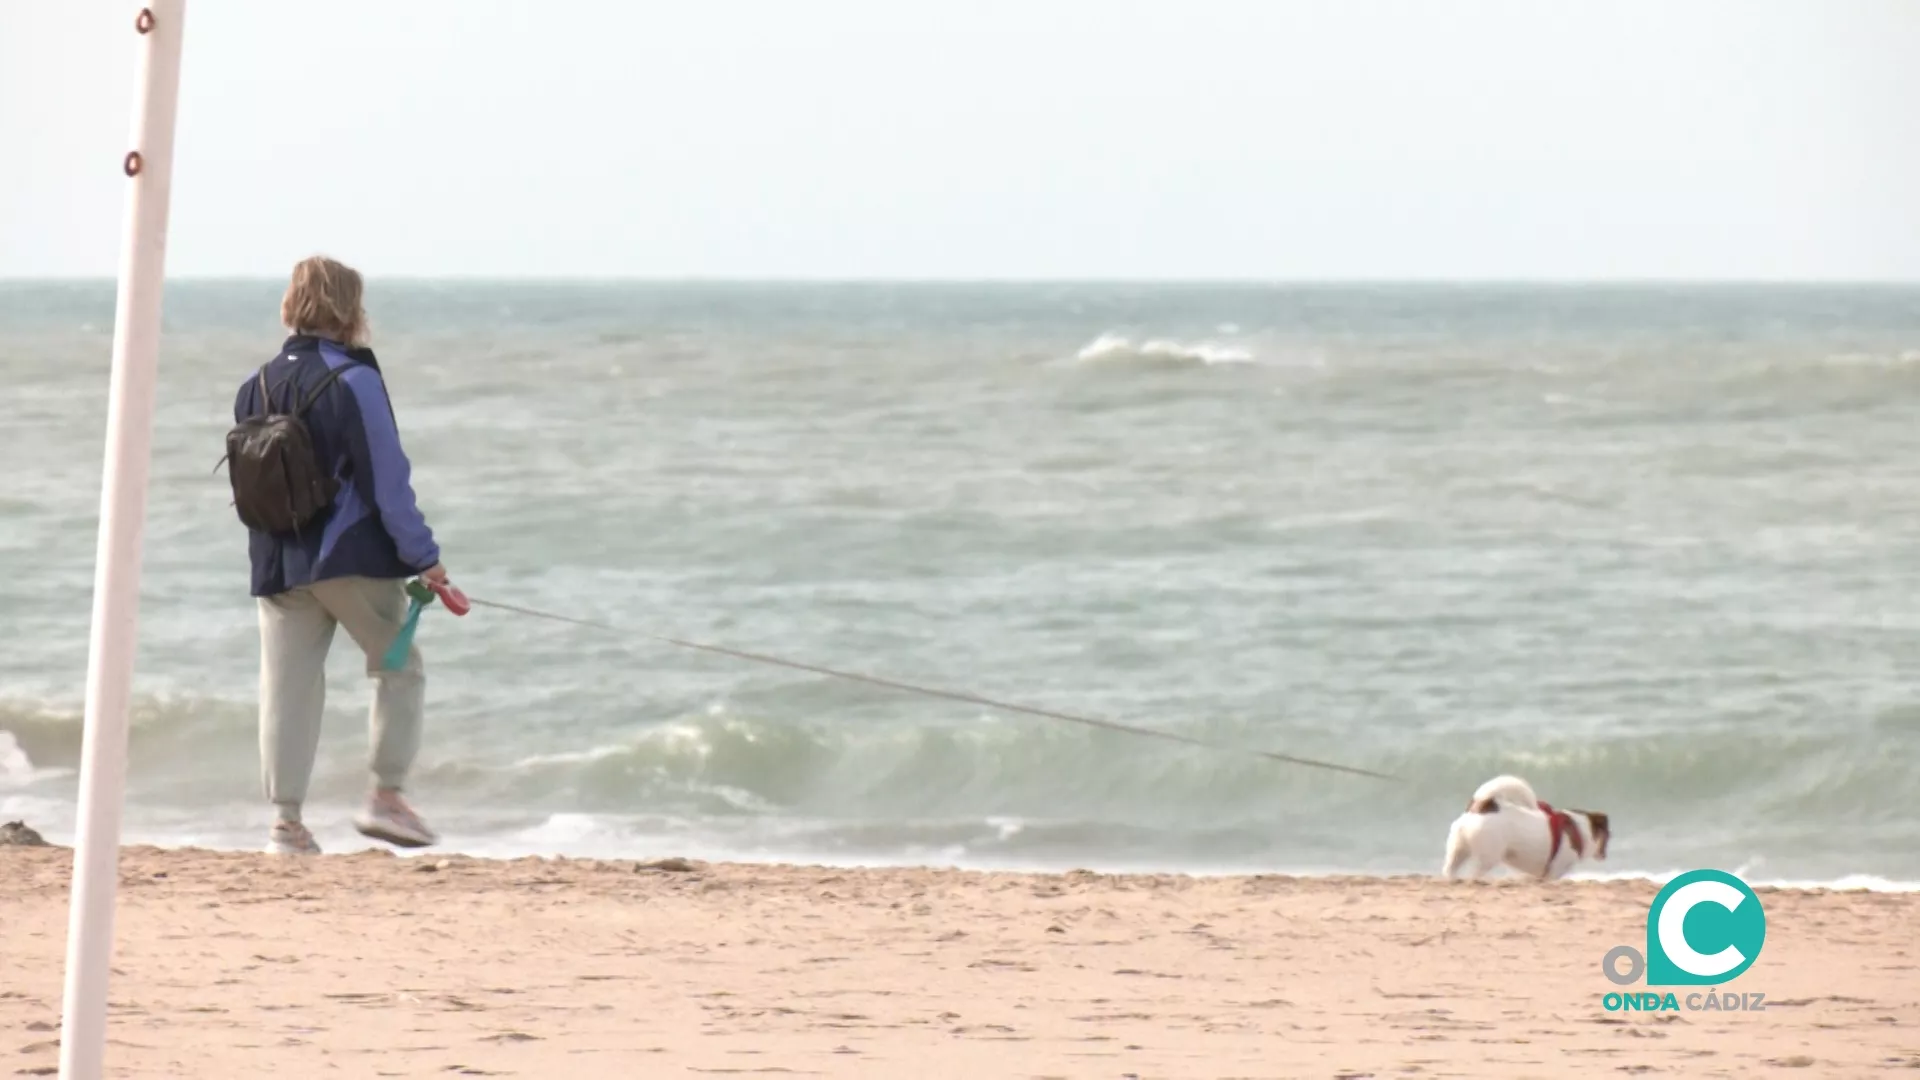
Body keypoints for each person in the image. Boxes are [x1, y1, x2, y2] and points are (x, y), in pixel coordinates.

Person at [231, 254, 447, 856]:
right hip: (350, 559)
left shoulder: (255, 385)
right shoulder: (355, 380)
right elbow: (388, 481)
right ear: (351, 310)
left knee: (287, 689)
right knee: (399, 668)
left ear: (291, 306)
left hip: (277, 562)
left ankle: (286, 825)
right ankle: (387, 797)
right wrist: (425, 558)